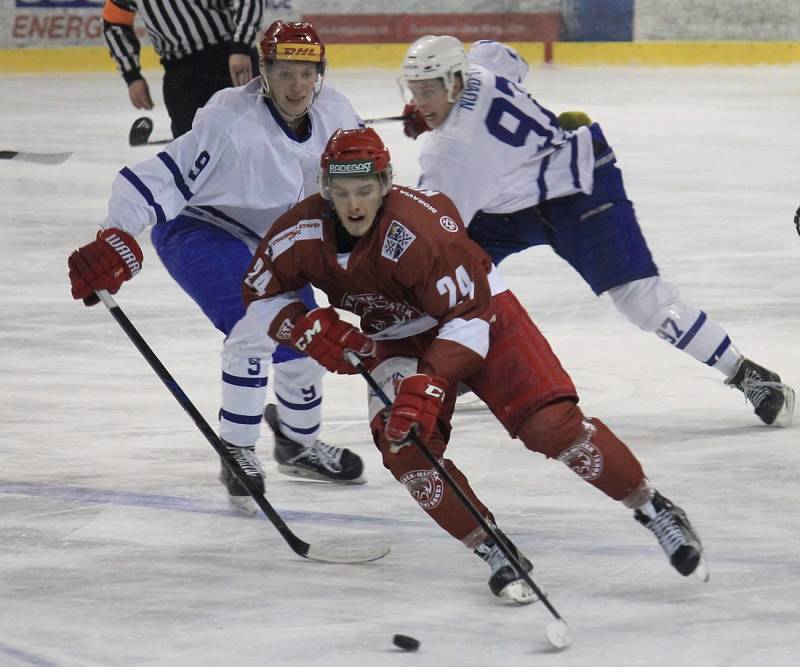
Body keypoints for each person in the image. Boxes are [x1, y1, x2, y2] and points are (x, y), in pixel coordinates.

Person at [240, 127, 708, 602]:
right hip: (394, 338)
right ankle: (494, 550)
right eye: (341, 193)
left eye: (364, 190)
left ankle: (653, 508)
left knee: (550, 427)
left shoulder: (420, 230)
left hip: (480, 313)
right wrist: (303, 328)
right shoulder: (300, 231)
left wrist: (431, 383)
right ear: (326, 190)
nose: (354, 204)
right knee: (406, 448)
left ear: (385, 184)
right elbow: (259, 292)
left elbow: (466, 317)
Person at [399, 37, 795, 427]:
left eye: (428, 91)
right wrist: (453, 109)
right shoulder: (479, 68)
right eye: (415, 92)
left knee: (640, 300)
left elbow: (433, 227)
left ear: (454, 81)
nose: (420, 102)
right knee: (458, 278)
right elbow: (501, 54)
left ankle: (746, 374)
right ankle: (468, 361)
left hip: (579, 192)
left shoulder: (450, 152)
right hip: (509, 203)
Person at [68, 21, 366, 516]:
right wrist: (115, 236)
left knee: (306, 335)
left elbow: (363, 186)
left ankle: (298, 444)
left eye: (306, 74)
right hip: (203, 229)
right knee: (258, 323)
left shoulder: (337, 112)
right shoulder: (230, 122)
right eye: (284, 72)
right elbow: (151, 181)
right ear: (262, 72)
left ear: (320, 73)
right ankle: (239, 448)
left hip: (277, 236)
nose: (296, 86)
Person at [102, 0, 264, 138]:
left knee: (253, 136)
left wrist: (242, 46)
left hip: (229, 58)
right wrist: (132, 75)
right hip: (180, 71)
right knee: (191, 151)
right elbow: (114, 22)